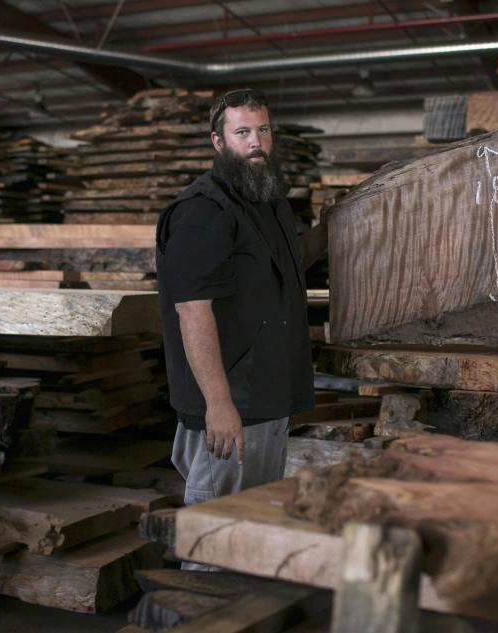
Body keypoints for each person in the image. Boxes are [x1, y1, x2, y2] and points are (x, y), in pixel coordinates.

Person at [155, 88, 328, 515]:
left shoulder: (267, 199)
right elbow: (192, 310)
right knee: (217, 531)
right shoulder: (203, 211)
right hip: (233, 405)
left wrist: (328, 232)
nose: (256, 142)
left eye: (263, 130)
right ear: (218, 142)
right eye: (243, 132)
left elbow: (287, 264)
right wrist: (218, 403)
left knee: (252, 525)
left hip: (268, 395)